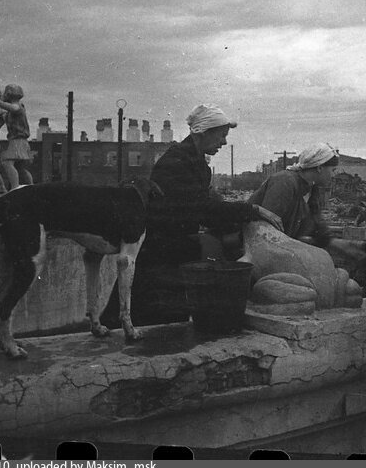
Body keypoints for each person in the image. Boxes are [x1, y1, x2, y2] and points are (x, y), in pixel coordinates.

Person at [102, 104, 282, 327]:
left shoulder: (196, 163)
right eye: (221, 135)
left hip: (173, 251)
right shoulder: (176, 161)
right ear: (203, 132)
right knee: (148, 318)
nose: (224, 142)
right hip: (160, 252)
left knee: (165, 321)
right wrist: (252, 210)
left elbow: (204, 206)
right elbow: (201, 209)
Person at [248, 142, 339, 248]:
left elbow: (318, 225)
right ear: (319, 168)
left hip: (279, 244)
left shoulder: (312, 188)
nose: (334, 175)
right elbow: (266, 229)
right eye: (333, 170)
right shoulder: (285, 182)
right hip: (252, 245)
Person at [0, 84, 33, 189]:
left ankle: (15, 187)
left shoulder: (17, 106)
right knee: (20, 168)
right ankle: (31, 187)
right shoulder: (11, 110)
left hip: (17, 141)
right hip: (20, 141)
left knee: (7, 163)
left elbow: (14, 108)